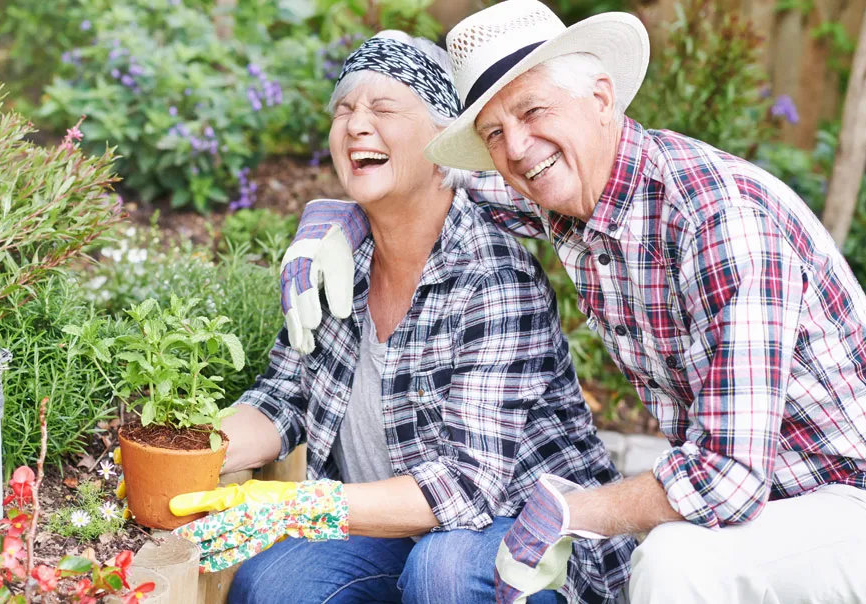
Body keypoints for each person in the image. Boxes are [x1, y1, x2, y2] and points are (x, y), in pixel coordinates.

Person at [277, 1, 866, 603]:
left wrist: (569, 510)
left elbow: (727, 477)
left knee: (675, 563)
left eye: (533, 111)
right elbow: (422, 183)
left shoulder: (720, 223)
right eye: (493, 133)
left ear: (601, 98)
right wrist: (336, 218)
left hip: (849, 503)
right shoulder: (568, 196)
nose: (516, 148)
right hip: (769, 509)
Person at [169, 30, 635, 604]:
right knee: (275, 584)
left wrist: (300, 505)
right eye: (344, 110)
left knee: (442, 572)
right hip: (397, 530)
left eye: (384, 108)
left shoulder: (491, 275)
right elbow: (283, 398)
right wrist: (183, 450)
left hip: (523, 535)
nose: (356, 125)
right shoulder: (335, 261)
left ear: (446, 138)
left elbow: (467, 488)